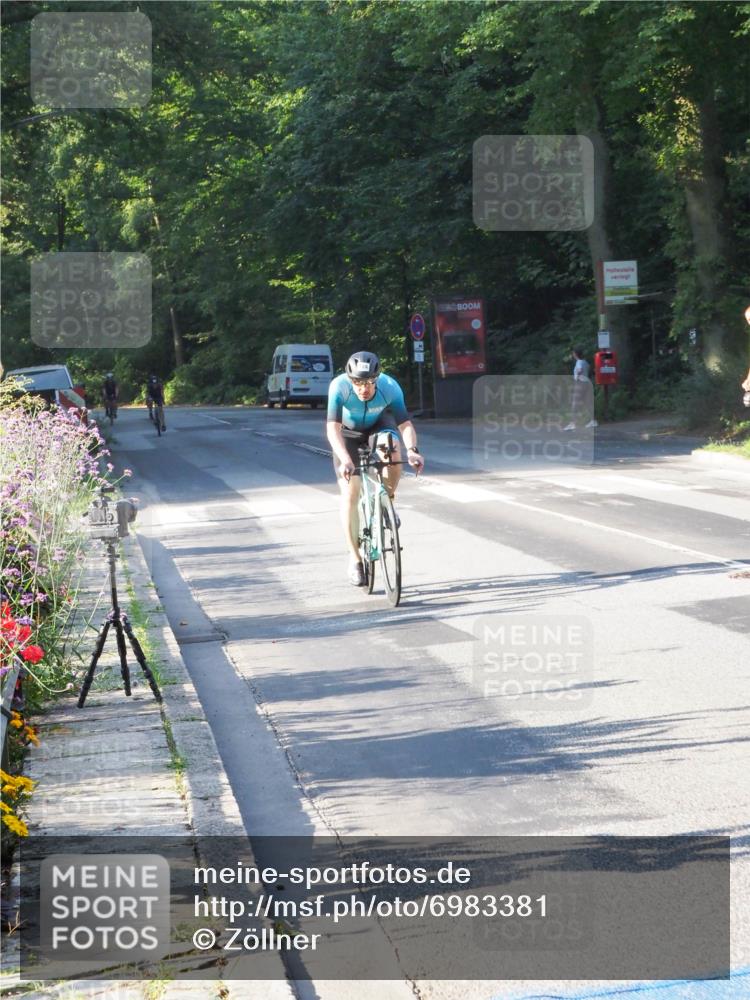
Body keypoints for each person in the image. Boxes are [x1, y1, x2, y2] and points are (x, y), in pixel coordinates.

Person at [327, 351, 424, 586]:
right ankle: (355, 559)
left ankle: (386, 500)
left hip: (378, 426)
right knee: (350, 493)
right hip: (348, 434)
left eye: (369, 382)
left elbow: (405, 424)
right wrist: (345, 459)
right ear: (350, 379)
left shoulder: (390, 387)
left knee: (392, 449)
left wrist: (412, 450)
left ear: (377, 379)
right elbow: (333, 429)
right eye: (358, 383)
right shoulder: (339, 387)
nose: (364, 388)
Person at [564, 347, 597, 430]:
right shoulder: (585, 362)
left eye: (573, 353)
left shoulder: (579, 362)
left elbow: (580, 370)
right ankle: (593, 421)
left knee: (575, 403)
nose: (572, 354)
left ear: (575, 354)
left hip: (580, 383)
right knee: (588, 403)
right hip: (587, 382)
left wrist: (577, 377)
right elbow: (589, 370)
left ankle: (573, 423)